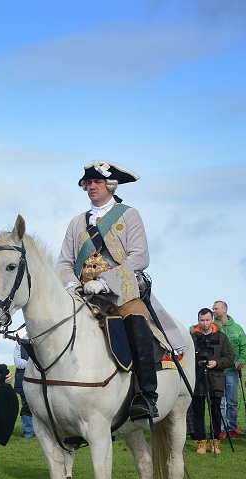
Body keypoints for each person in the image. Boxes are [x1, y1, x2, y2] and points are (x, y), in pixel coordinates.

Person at [56, 160, 187, 420]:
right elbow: (64, 262)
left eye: (97, 182)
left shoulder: (129, 214)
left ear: (110, 185)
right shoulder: (75, 223)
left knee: (136, 322)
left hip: (121, 291)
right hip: (83, 294)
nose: (91, 186)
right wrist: (72, 285)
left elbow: (139, 257)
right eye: (88, 183)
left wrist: (106, 282)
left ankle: (146, 395)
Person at [189, 308, 235, 454]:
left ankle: (215, 442)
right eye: (202, 320)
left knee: (216, 412)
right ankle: (201, 442)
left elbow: (230, 357)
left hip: (216, 379)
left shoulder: (221, 337)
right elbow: (185, 357)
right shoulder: (192, 337)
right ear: (198, 320)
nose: (205, 323)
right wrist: (198, 362)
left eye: (207, 320)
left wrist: (216, 363)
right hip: (197, 379)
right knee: (198, 413)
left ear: (212, 320)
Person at [212, 301, 246, 437]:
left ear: (224, 309)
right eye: (213, 308)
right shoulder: (213, 327)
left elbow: (245, 347)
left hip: (233, 371)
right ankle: (221, 429)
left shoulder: (237, 328)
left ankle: (232, 428)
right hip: (217, 371)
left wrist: (241, 360)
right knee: (220, 402)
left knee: (233, 402)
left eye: (216, 308)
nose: (213, 311)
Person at [13, 334, 34, 439]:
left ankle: (41, 432)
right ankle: (28, 433)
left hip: (40, 380)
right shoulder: (19, 342)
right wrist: (34, 363)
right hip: (24, 379)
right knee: (26, 406)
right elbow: (17, 362)